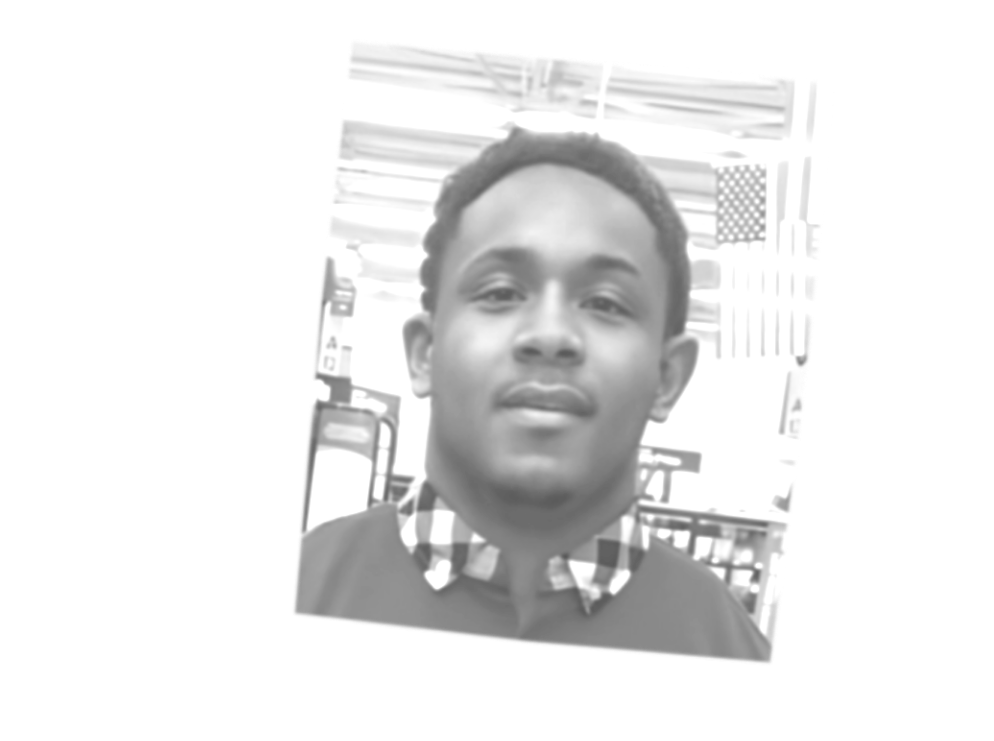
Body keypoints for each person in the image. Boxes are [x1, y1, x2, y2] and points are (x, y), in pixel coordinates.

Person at [295, 127, 773, 663]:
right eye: (500, 292)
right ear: (425, 353)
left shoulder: (728, 646)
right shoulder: (307, 588)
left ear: (667, 378)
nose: (550, 335)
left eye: (606, 304)